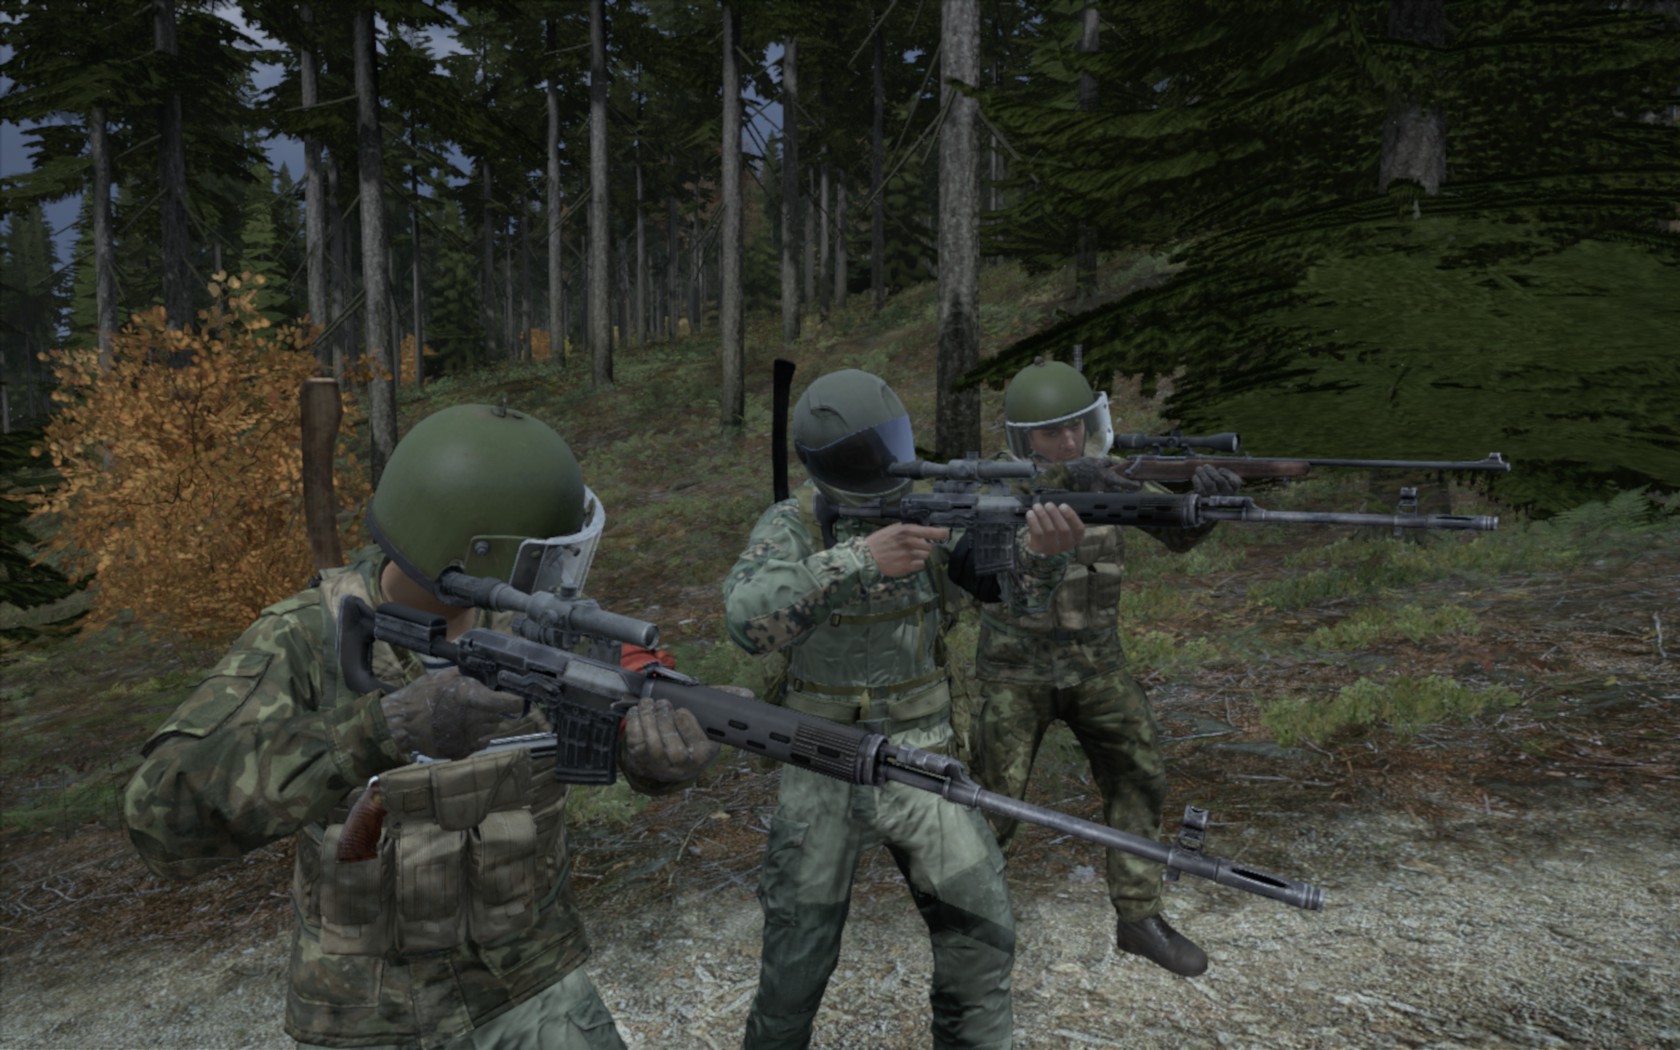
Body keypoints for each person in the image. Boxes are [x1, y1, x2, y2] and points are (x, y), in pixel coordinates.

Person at [123, 403, 720, 1050]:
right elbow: (161, 818)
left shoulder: (536, 627)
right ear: (478, 553)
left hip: (532, 981)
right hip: (375, 1014)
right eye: (540, 557)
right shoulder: (304, 637)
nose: (554, 577)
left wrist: (651, 761)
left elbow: (602, 730)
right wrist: (384, 727)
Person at [723, 368, 1085, 1050]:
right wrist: (861, 559)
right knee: (794, 967)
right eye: (869, 453)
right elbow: (746, 622)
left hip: (925, 755)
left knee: (983, 937)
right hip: (819, 757)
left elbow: (1013, 597)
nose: (885, 463)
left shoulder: (929, 505)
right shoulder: (795, 522)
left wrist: (1041, 558)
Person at [969, 357, 1243, 978]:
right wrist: (1069, 478)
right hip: (1015, 670)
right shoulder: (997, 483)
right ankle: (972, 918)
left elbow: (1176, 531)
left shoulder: (1107, 475)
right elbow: (991, 567)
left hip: (1097, 663)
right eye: (1051, 433)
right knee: (991, 800)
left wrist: (1206, 503)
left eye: (1075, 427)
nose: (1068, 441)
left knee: (1140, 774)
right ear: (1022, 438)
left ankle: (1139, 916)